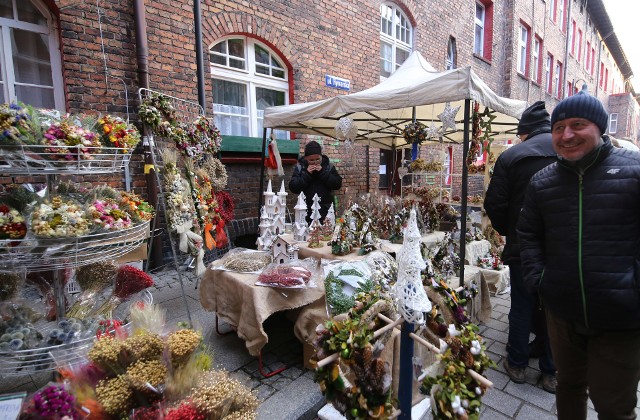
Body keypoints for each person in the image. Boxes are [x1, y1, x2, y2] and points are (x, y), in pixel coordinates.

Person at [517, 91, 640, 419]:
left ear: (599, 128)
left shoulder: (633, 171)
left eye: (577, 125)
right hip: (562, 312)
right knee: (568, 387)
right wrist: (541, 280)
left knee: (613, 405)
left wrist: (633, 287)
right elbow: (528, 234)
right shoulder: (542, 182)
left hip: (620, 318)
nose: (566, 135)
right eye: (558, 128)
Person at [484, 101, 557, 393]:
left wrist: (510, 232)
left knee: (522, 304)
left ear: (523, 132)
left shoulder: (511, 156)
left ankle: (516, 363)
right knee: (554, 308)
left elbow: (494, 203)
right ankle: (551, 372)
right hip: (559, 247)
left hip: (522, 245)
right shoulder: (567, 150)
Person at [289, 140, 342, 223]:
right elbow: (293, 187)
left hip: (326, 211)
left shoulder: (328, 166)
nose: (315, 162)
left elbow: (337, 184)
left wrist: (322, 172)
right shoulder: (300, 167)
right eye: (311, 160)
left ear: (321, 156)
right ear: (306, 158)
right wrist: (307, 174)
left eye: (318, 159)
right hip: (306, 211)